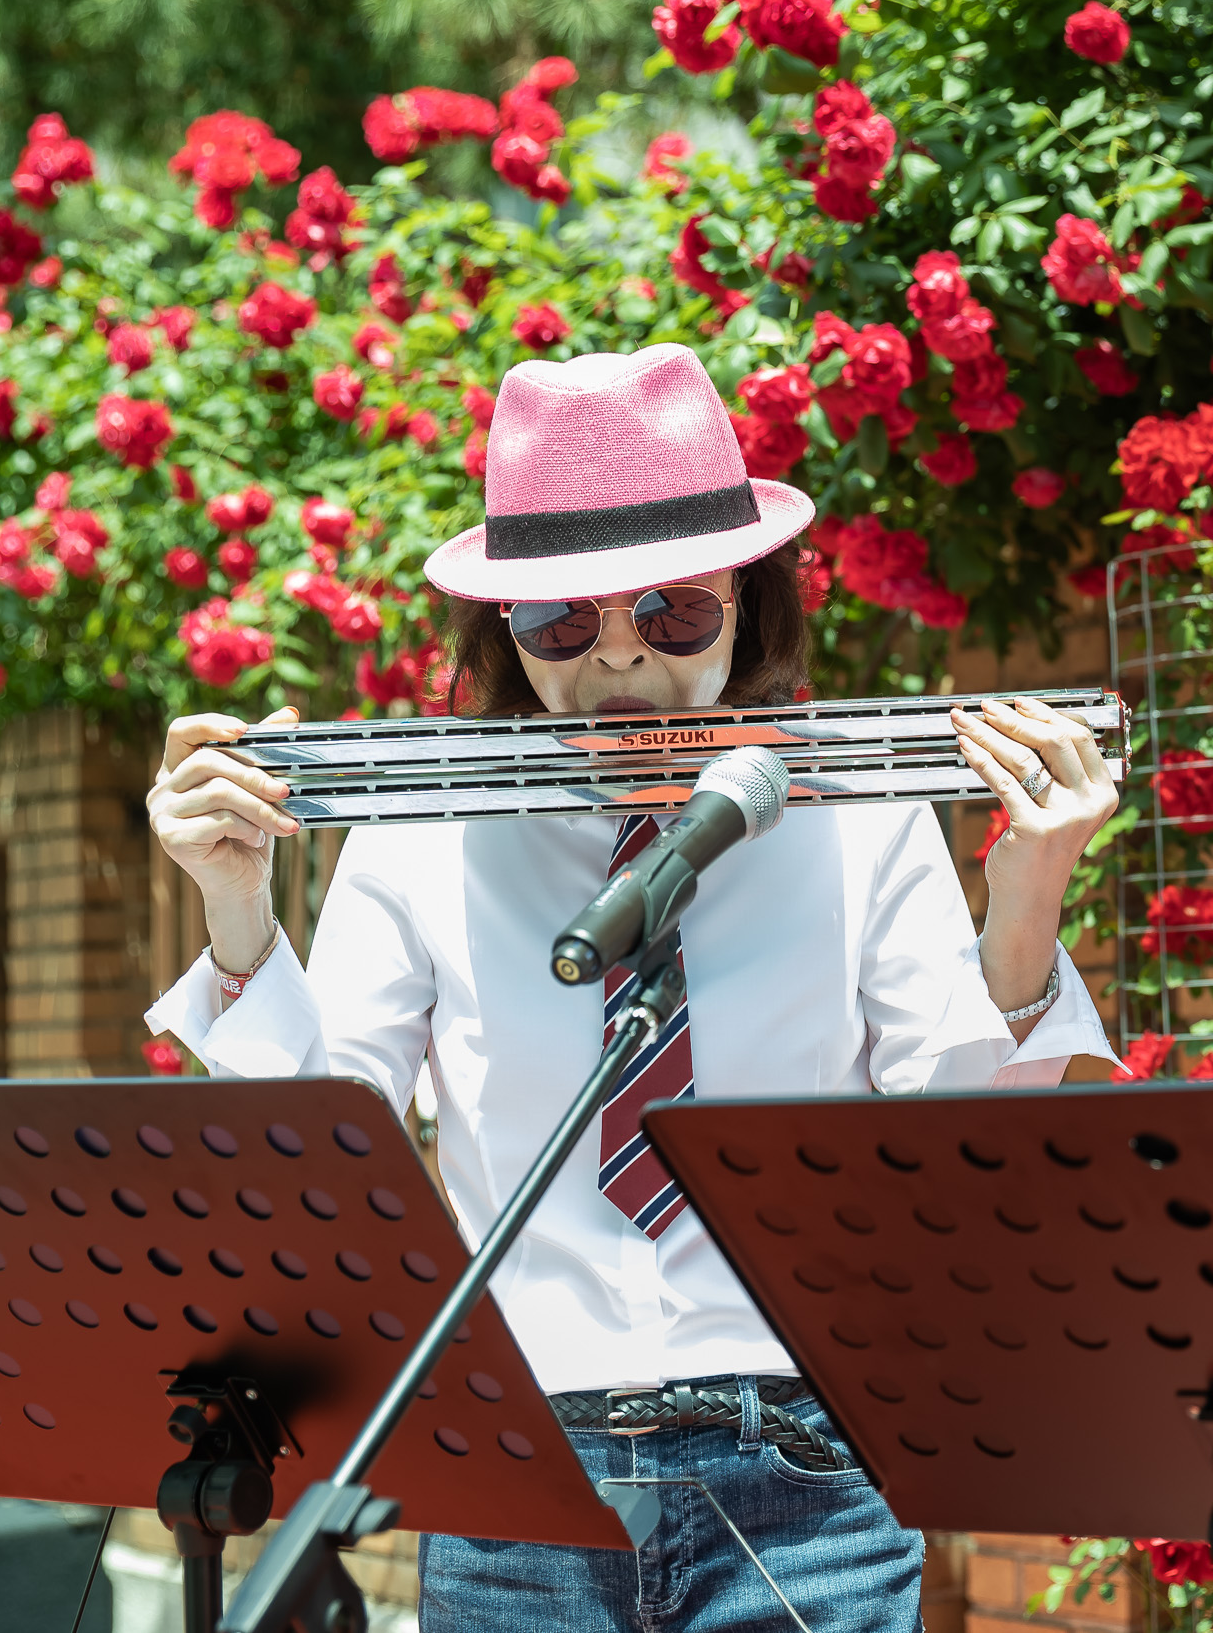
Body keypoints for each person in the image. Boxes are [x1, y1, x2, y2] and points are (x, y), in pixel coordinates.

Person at [142, 344, 1120, 1633]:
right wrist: (235, 911)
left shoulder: (853, 819)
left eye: (670, 613)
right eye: (560, 623)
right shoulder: (423, 830)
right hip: (521, 1463)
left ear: (742, 595)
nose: (617, 666)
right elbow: (330, 1158)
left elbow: (958, 1143)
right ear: (505, 631)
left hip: (804, 1463)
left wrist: (1031, 885)